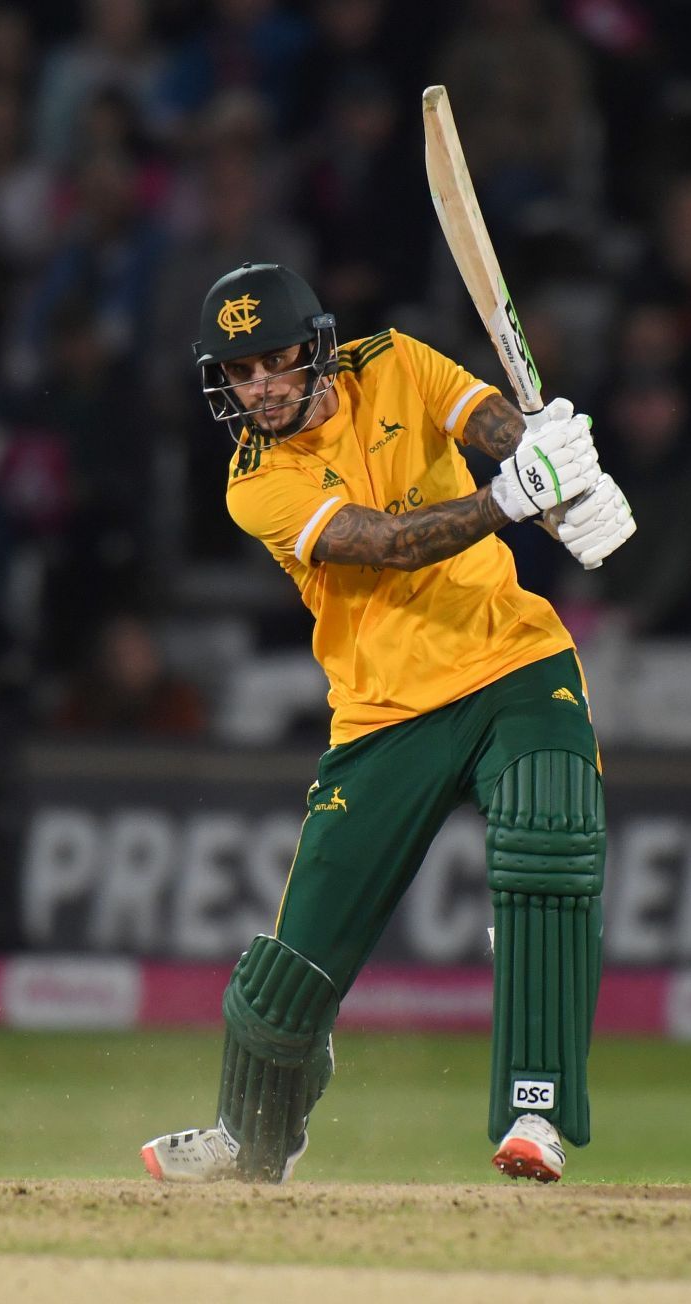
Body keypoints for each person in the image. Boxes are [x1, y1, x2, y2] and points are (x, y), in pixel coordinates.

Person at [139, 263, 633, 1186]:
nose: (259, 389)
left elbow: (488, 422)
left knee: (549, 838)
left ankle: (539, 1111)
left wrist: (554, 455)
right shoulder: (256, 484)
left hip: (512, 661)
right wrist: (510, 500)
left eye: (273, 362)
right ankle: (253, 1138)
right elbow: (387, 544)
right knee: (288, 979)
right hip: (381, 713)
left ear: (316, 347)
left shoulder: (397, 360)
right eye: (238, 374)